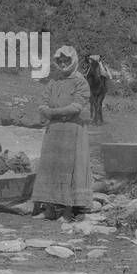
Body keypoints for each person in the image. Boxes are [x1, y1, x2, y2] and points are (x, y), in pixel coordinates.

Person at [31, 46, 93, 222]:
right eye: (60, 61)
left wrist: (52, 113)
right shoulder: (54, 81)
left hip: (72, 130)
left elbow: (77, 107)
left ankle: (67, 212)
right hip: (54, 131)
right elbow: (42, 102)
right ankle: (49, 209)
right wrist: (48, 111)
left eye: (67, 60)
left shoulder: (80, 82)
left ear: (73, 60)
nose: (63, 64)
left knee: (69, 169)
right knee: (49, 167)